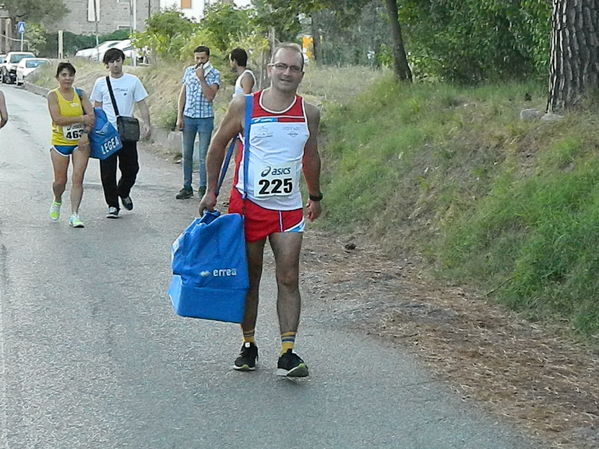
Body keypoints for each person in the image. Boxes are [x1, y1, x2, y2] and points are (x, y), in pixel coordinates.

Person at [199, 43, 323, 378]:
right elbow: (218, 144)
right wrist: (211, 190)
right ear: (269, 68)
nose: (287, 73)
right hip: (248, 205)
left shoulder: (308, 113)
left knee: (288, 276)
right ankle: (249, 345)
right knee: (250, 277)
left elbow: (310, 156)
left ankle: (288, 352)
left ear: (301, 73)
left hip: (287, 209)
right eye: (281, 66)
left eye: (294, 68)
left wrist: (315, 194)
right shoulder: (245, 106)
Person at [90, 48, 151, 218]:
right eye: (111, 61)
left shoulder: (133, 81)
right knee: (108, 171)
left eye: (118, 60)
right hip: (107, 134)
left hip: (127, 132)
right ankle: (112, 205)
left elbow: (142, 104)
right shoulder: (101, 83)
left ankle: (123, 191)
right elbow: (97, 107)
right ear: (107, 64)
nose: (115, 64)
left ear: (122, 61)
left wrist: (147, 123)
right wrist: (96, 130)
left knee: (131, 168)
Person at [47, 62, 95, 228]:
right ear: (58, 78)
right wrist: (81, 119)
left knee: (77, 178)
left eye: (70, 75)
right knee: (60, 181)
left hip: (80, 143)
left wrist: (85, 133)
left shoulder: (80, 94)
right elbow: (57, 119)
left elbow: (91, 116)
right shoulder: (53, 95)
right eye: (64, 75)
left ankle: (75, 214)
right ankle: (57, 199)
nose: (68, 79)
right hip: (60, 142)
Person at [175, 45, 221, 200]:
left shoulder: (214, 73)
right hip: (189, 116)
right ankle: (186, 186)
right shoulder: (189, 71)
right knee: (187, 153)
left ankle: (203, 187)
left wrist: (201, 78)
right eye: (197, 58)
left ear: (208, 57)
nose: (200, 61)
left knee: (203, 155)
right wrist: (179, 116)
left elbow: (210, 96)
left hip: (205, 118)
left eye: (202, 58)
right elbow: (183, 94)